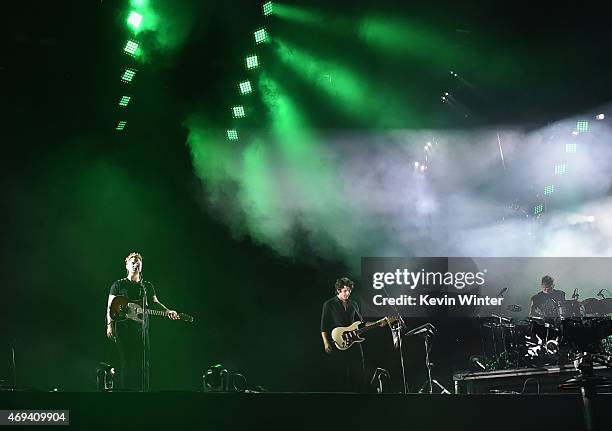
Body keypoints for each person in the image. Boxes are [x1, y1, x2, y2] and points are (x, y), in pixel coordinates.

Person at [106, 252, 179, 391]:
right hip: (124, 329)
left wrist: (167, 310)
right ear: (126, 265)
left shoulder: (146, 286)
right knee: (127, 362)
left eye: (138, 262)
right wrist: (110, 325)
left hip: (142, 331)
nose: (136, 264)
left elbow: (155, 302)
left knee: (143, 363)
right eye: (133, 262)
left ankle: (142, 392)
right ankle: (127, 392)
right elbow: (110, 307)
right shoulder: (118, 285)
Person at [320, 277, 385, 392]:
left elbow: (361, 323)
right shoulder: (329, 304)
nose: (348, 293)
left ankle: (359, 396)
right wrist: (326, 343)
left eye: (349, 290)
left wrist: (377, 323)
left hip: (354, 341)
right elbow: (323, 326)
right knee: (342, 373)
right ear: (338, 290)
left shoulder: (353, 304)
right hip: (339, 341)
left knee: (360, 370)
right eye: (345, 290)